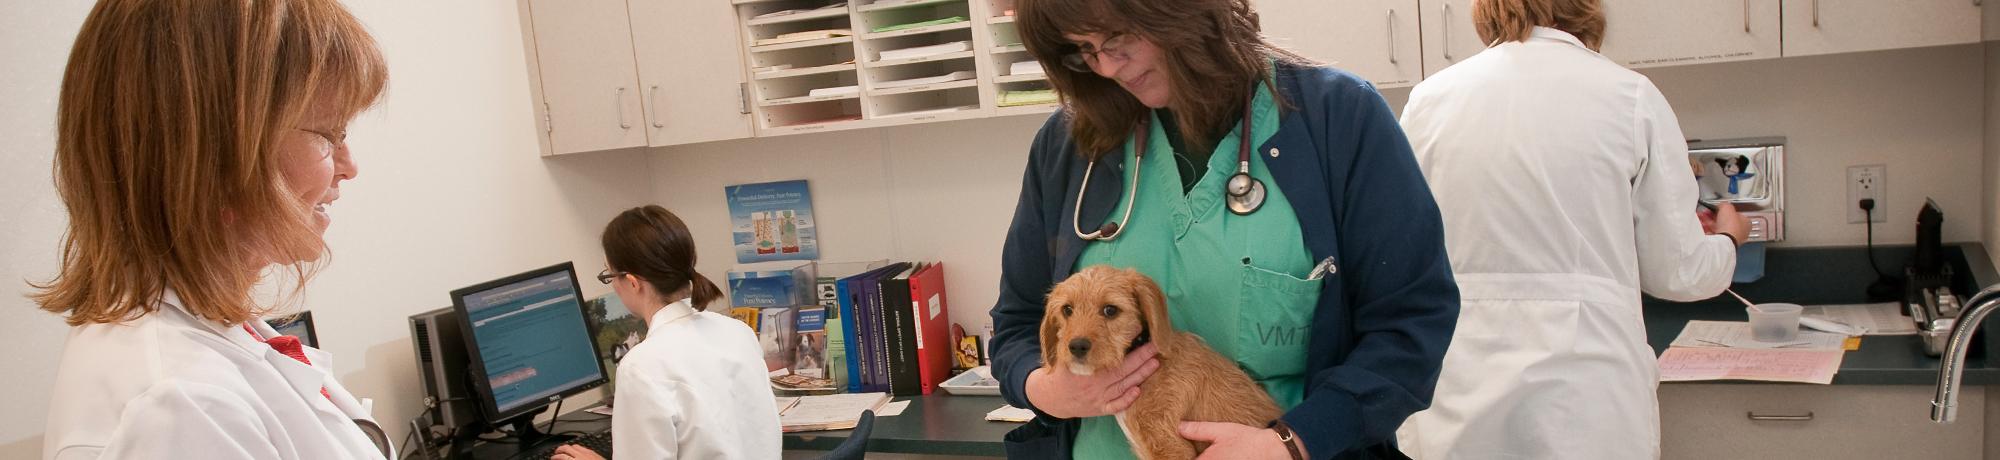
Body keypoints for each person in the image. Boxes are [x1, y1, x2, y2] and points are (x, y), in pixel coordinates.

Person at [986, 0, 1461, 458]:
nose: (1107, 67)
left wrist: (1292, 443)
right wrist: (1041, 387)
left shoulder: (1338, 118)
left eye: (1118, 36)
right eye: (1084, 50)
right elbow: (1017, 324)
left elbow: (1411, 324)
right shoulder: (1068, 146)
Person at [33, 0, 389, 458]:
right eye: (327, 134)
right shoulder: (183, 408)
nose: (349, 166)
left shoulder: (212, 330)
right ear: (214, 152)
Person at [1393, 0, 1749, 458]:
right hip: (1587, 395)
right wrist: (1728, 239)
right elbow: (1680, 273)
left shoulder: (1428, 101)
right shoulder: (1630, 96)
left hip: (1459, 390)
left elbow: (1403, 252)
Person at [550, 205, 781, 460]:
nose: (612, 284)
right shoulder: (738, 332)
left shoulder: (641, 367)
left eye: (610, 275)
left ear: (633, 282)